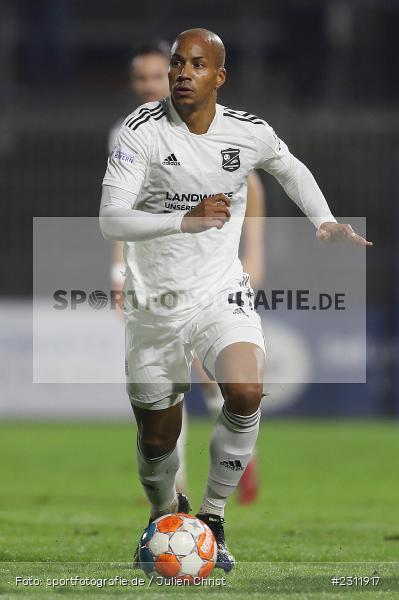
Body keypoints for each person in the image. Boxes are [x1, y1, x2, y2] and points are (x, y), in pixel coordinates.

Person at [99, 28, 372, 573]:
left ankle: (214, 518)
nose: (181, 73)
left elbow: (288, 167)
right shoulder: (138, 132)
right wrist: (186, 218)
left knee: (245, 391)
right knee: (159, 438)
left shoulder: (247, 133)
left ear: (218, 77)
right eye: (177, 63)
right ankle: (165, 515)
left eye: (195, 65)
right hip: (157, 303)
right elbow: (111, 218)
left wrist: (323, 221)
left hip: (221, 292)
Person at [108, 40, 266, 501]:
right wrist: (120, 274)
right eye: (142, 79)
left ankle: (235, 467)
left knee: (218, 376)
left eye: (159, 76)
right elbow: (122, 210)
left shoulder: (218, 134)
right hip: (157, 280)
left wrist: (246, 266)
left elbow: (249, 196)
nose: (150, 86)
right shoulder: (130, 133)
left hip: (210, 278)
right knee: (167, 390)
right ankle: (174, 491)